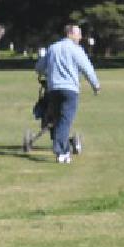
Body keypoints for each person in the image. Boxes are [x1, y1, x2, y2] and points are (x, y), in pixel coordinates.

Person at [35, 24, 101, 163]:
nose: (80, 37)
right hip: (70, 90)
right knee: (65, 121)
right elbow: (87, 68)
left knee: (59, 120)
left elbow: (39, 67)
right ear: (70, 34)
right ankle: (61, 152)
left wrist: (46, 73)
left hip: (53, 89)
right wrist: (95, 85)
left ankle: (64, 148)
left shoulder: (53, 48)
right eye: (78, 34)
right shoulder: (76, 50)